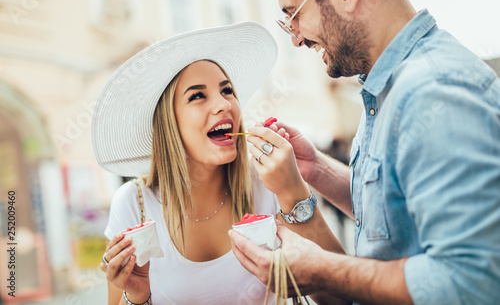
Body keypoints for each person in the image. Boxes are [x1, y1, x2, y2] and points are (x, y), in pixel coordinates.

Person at [229, 0, 500, 304]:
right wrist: (317, 168)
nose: (296, 39)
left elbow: (471, 281)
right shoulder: (390, 87)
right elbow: (396, 211)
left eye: (294, 14)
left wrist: (325, 271)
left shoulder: (433, 92)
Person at [93, 22, 346, 305]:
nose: (224, 104)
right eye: (198, 95)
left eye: (227, 91)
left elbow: (341, 298)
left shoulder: (269, 182)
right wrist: (137, 297)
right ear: (169, 123)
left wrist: (293, 191)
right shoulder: (133, 205)